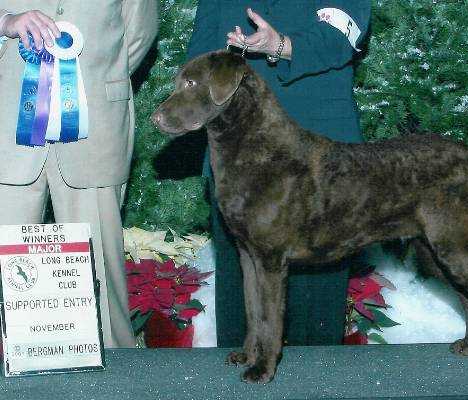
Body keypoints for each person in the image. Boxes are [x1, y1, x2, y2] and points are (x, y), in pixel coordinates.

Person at [186, 1, 372, 347]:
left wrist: (280, 45)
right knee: (242, 321)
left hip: (317, 162)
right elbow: (199, 55)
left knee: (314, 328)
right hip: (235, 162)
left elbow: (343, 35)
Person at [0, 2, 158, 348]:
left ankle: (113, 367)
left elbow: (139, 31)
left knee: (100, 263)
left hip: (96, 122)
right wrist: (6, 22)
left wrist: (92, 73)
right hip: (9, 117)